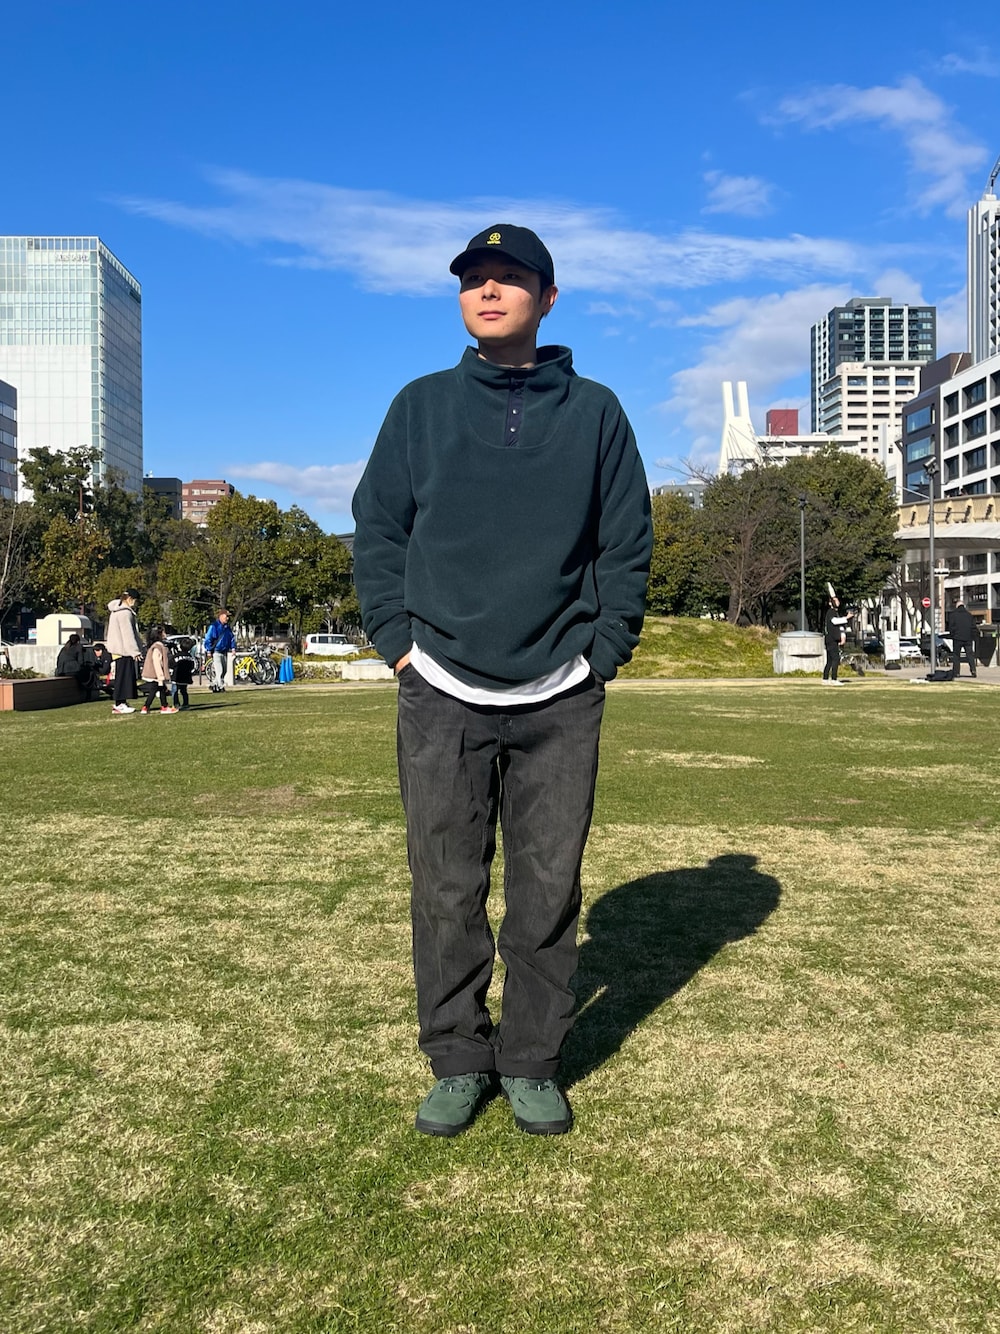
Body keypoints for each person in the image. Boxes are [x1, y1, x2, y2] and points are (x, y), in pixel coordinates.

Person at [352, 223, 652, 1138]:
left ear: (547, 298)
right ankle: (456, 1057)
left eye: (509, 277)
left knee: (547, 888)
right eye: (473, 278)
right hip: (439, 685)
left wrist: (603, 652)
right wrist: (398, 643)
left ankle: (529, 1060)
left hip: (561, 690)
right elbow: (379, 530)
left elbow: (626, 541)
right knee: (445, 886)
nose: (488, 290)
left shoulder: (596, 411)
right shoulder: (420, 407)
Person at [106, 592, 143, 714]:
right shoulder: (125, 613)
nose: (135, 603)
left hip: (118, 649)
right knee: (123, 677)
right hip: (123, 649)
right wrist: (134, 651)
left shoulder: (116, 611)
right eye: (135, 600)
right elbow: (128, 634)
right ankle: (119, 704)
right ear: (130, 599)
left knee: (121, 677)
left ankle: (121, 702)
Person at [139, 626, 176, 713]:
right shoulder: (157, 647)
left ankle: (164, 706)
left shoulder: (158, 646)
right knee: (154, 690)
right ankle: (146, 706)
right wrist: (160, 676)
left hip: (156, 674)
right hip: (155, 674)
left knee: (161, 689)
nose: (165, 634)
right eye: (163, 632)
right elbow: (157, 663)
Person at [204, 609, 235, 692]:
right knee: (219, 670)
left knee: (224, 670)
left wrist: (233, 648)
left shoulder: (227, 628)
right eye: (226, 616)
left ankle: (213, 684)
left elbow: (231, 638)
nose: (227, 618)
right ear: (221, 616)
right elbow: (208, 638)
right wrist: (209, 650)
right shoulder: (214, 626)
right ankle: (221, 686)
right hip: (216, 651)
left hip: (224, 651)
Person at [947, 599, 977, 679]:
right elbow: (973, 628)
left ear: (957, 606)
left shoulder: (953, 615)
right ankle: (973, 670)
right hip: (968, 638)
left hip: (957, 638)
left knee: (956, 656)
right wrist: (972, 637)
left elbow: (951, 627)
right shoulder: (969, 615)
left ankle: (956, 672)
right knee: (970, 655)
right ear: (964, 606)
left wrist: (953, 635)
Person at [822, 598, 850, 684]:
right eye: (835, 601)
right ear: (830, 603)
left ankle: (825, 679)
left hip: (831, 639)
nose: (838, 602)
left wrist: (842, 636)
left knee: (830, 660)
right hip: (831, 639)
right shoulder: (831, 612)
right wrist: (846, 617)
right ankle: (834, 679)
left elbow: (839, 626)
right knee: (835, 659)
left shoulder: (835, 612)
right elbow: (835, 621)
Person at [171, 640, 195, 709]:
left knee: (174, 691)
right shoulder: (190, 657)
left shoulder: (176, 656)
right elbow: (192, 666)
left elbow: (171, 664)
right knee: (184, 691)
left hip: (176, 677)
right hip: (186, 677)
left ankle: (176, 704)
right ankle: (186, 703)